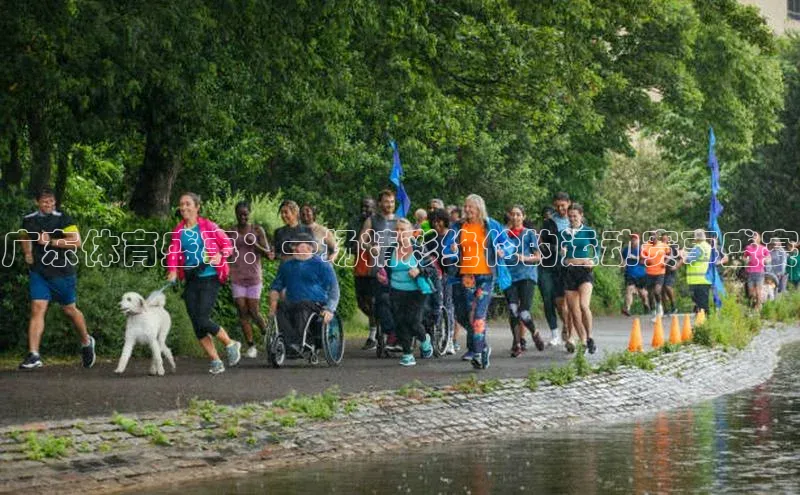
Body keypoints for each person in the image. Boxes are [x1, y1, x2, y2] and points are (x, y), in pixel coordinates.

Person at [18, 187, 96, 370]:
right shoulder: (28, 220)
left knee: (69, 310)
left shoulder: (63, 218)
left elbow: (76, 243)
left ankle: (86, 341)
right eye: (45, 201)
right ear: (37, 202)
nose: (49, 204)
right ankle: (34, 355)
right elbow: (24, 237)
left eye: (52, 201)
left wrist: (52, 242)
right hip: (39, 272)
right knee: (37, 308)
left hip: (62, 273)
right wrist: (28, 253)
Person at [166, 192, 241, 374]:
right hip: (191, 278)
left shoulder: (209, 226)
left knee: (202, 318)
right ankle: (215, 360)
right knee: (196, 322)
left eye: (188, 204)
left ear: (197, 207)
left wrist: (220, 255)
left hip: (210, 276)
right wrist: (173, 270)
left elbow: (228, 246)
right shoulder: (178, 231)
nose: (183, 207)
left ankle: (230, 343)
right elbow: (173, 252)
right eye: (181, 204)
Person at [443, 194, 512, 369]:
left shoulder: (491, 225)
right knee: (465, 315)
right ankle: (483, 347)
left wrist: (503, 250)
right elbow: (446, 247)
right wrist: (451, 250)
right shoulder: (458, 226)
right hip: (466, 276)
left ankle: (479, 352)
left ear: (479, 208)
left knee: (479, 315)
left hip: (485, 276)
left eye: (470, 207)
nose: (466, 210)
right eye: (465, 206)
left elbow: (509, 244)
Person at [268, 232, 340, 354]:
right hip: (293, 302)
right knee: (281, 307)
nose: (294, 248)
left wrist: (330, 309)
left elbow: (334, 289)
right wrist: (273, 305)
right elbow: (276, 287)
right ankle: (291, 343)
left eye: (297, 245)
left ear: (310, 247)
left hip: (316, 304)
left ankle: (298, 342)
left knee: (303, 305)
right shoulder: (286, 266)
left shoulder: (323, 265)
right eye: (292, 245)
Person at [380, 218, 435, 366]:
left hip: (417, 291)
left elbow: (432, 269)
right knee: (400, 322)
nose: (399, 233)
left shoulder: (418, 249)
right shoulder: (391, 249)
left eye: (403, 230)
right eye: (397, 230)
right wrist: (382, 276)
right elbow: (385, 270)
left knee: (413, 321)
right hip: (396, 291)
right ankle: (407, 354)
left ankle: (424, 339)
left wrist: (419, 270)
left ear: (410, 232)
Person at [229, 200, 271, 359]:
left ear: (249, 214)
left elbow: (268, 253)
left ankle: (267, 333)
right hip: (237, 275)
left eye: (245, 214)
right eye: (239, 214)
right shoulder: (231, 231)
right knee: (242, 310)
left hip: (254, 276)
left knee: (254, 310)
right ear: (236, 214)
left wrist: (256, 245)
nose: (242, 217)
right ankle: (251, 345)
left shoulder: (257, 230)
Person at [359, 190, 399, 351]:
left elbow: (410, 239)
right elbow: (362, 239)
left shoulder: (400, 220)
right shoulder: (372, 220)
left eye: (392, 201)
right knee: (379, 302)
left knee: (396, 302)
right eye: (386, 201)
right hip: (378, 269)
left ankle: (397, 335)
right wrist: (370, 247)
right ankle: (387, 333)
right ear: (380, 203)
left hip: (397, 269)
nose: (389, 204)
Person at [503, 205, 543, 357]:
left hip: (526, 275)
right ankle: (517, 343)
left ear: (523, 217)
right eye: (512, 214)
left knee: (524, 312)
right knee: (513, 310)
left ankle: (535, 332)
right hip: (509, 276)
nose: (515, 217)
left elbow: (538, 256)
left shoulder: (529, 234)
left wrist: (524, 258)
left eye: (518, 214)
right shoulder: (505, 235)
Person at [560, 203, 599, 354]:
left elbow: (597, 250)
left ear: (581, 216)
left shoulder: (589, 231)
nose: (572, 218)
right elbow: (560, 257)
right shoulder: (564, 233)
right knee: (573, 310)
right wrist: (563, 256)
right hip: (570, 272)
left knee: (583, 305)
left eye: (575, 216)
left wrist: (593, 260)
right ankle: (581, 338)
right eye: (570, 216)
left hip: (584, 271)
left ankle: (590, 337)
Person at [538, 192, 571, 348]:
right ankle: (554, 334)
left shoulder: (575, 221)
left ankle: (567, 327)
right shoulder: (549, 223)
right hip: (547, 266)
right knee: (547, 299)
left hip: (565, 268)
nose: (560, 208)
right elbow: (541, 243)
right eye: (557, 206)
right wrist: (554, 248)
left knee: (562, 303)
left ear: (568, 204)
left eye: (562, 205)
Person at [424, 208, 456, 355]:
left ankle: (449, 340)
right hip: (435, 274)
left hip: (450, 272)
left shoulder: (452, 235)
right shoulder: (429, 237)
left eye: (439, 221)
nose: (437, 224)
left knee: (448, 305)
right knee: (434, 304)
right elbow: (425, 253)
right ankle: (434, 335)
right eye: (434, 221)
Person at [349, 198, 378, 349]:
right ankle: (379, 324)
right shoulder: (356, 222)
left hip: (374, 268)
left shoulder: (378, 223)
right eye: (362, 206)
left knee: (373, 302)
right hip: (359, 266)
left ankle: (373, 335)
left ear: (375, 207)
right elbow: (350, 243)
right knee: (361, 303)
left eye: (368, 207)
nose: (364, 209)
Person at [641, 232, 669, 321]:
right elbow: (641, 260)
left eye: (654, 234)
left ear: (657, 236)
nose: (652, 236)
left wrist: (666, 262)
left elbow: (670, 255)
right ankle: (653, 312)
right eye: (650, 235)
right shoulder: (645, 247)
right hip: (649, 273)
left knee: (657, 291)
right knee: (650, 295)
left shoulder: (663, 245)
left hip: (660, 272)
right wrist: (646, 262)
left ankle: (659, 308)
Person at [682, 229, 712, 314]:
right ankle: (705, 323)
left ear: (696, 238)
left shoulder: (698, 247)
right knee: (703, 304)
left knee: (700, 306)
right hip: (705, 279)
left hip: (697, 280)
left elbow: (689, 260)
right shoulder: (708, 246)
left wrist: (683, 254)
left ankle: (703, 324)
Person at [621, 234, 650, 317]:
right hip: (629, 273)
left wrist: (636, 258)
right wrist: (623, 264)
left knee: (643, 293)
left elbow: (646, 261)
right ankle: (627, 308)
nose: (633, 241)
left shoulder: (642, 249)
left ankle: (646, 305)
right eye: (632, 239)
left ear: (638, 240)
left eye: (635, 239)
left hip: (641, 274)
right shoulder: (626, 250)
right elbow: (623, 259)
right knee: (629, 289)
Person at [743, 232, 771, 311]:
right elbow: (744, 257)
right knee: (751, 293)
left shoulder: (763, 248)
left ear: (759, 239)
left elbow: (769, 258)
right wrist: (746, 260)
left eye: (756, 236)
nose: (754, 238)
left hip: (759, 272)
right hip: (750, 272)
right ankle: (758, 304)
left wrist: (766, 260)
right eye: (753, 236)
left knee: (758, 291)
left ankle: (757, 308)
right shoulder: (748, 248)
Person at [661, 232, 681, 314]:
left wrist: (676, 267)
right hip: (661, 271)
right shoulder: (659, 248)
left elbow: (681, 259)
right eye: (662, 240)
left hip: (670, 271)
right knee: (661, 290)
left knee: (668, 287)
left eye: (665, 239)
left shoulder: (673, 248)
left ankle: (673, 305)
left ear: (669, 239)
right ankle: (665, 309)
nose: (664, 241)